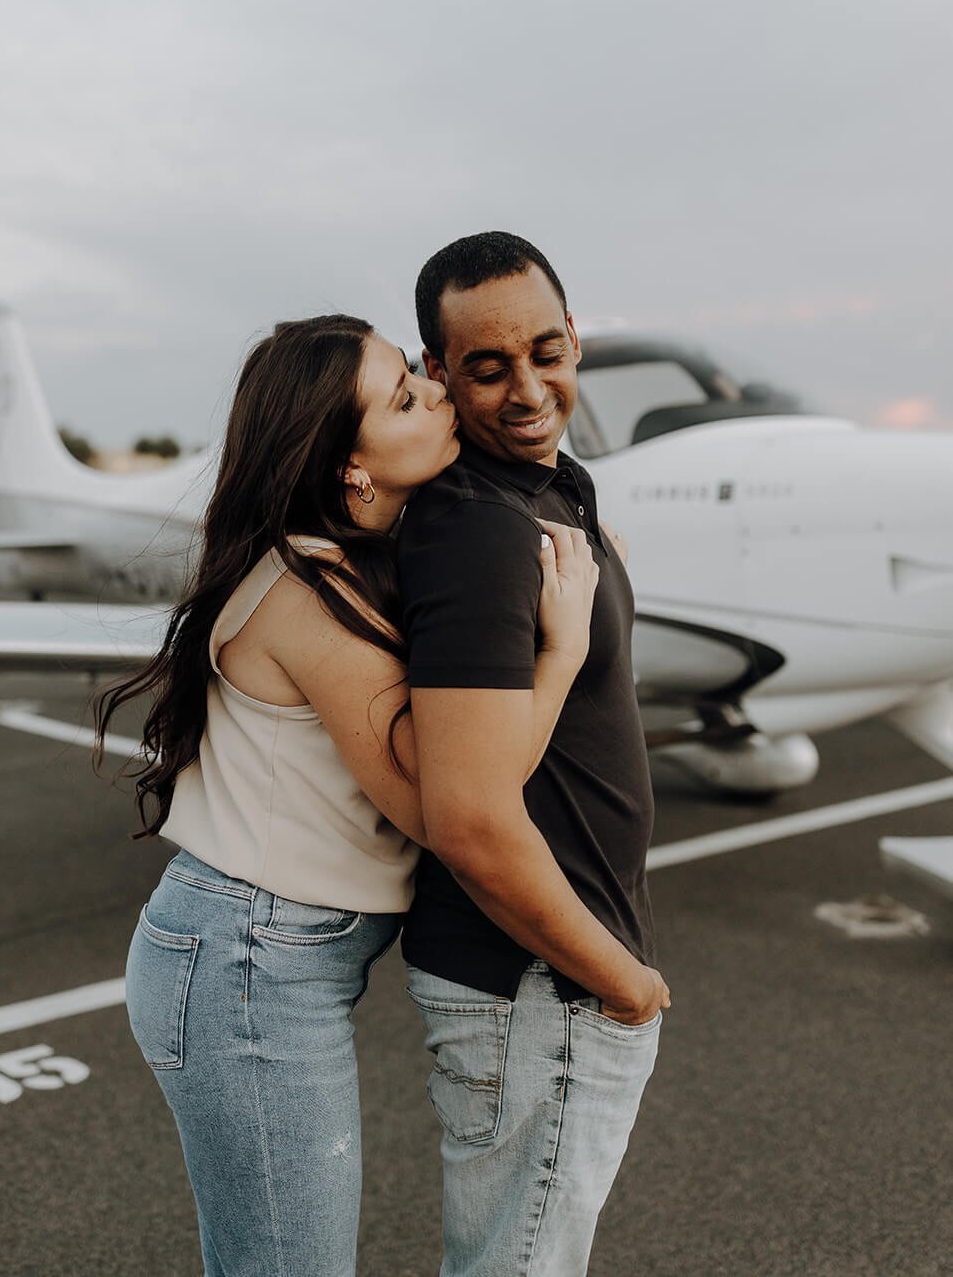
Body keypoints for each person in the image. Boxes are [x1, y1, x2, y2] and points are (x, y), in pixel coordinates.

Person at [94, 312, 600, 1277]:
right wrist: (562, 650)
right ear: (348, 470)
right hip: (248, 965)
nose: (442, 394)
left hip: (260, 956)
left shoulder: (343, 564)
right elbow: (444, 807)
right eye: (407, 398)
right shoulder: (309, 588)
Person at [397, 232, 670, 1277]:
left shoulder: (554, 489)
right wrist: (621, 983)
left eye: (544, 351)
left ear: (576, 340)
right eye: (485, 365)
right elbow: (465, 815)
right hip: (539, 986)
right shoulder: (477, 528)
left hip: (555, 981)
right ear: (437, 374)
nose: (524, 388)